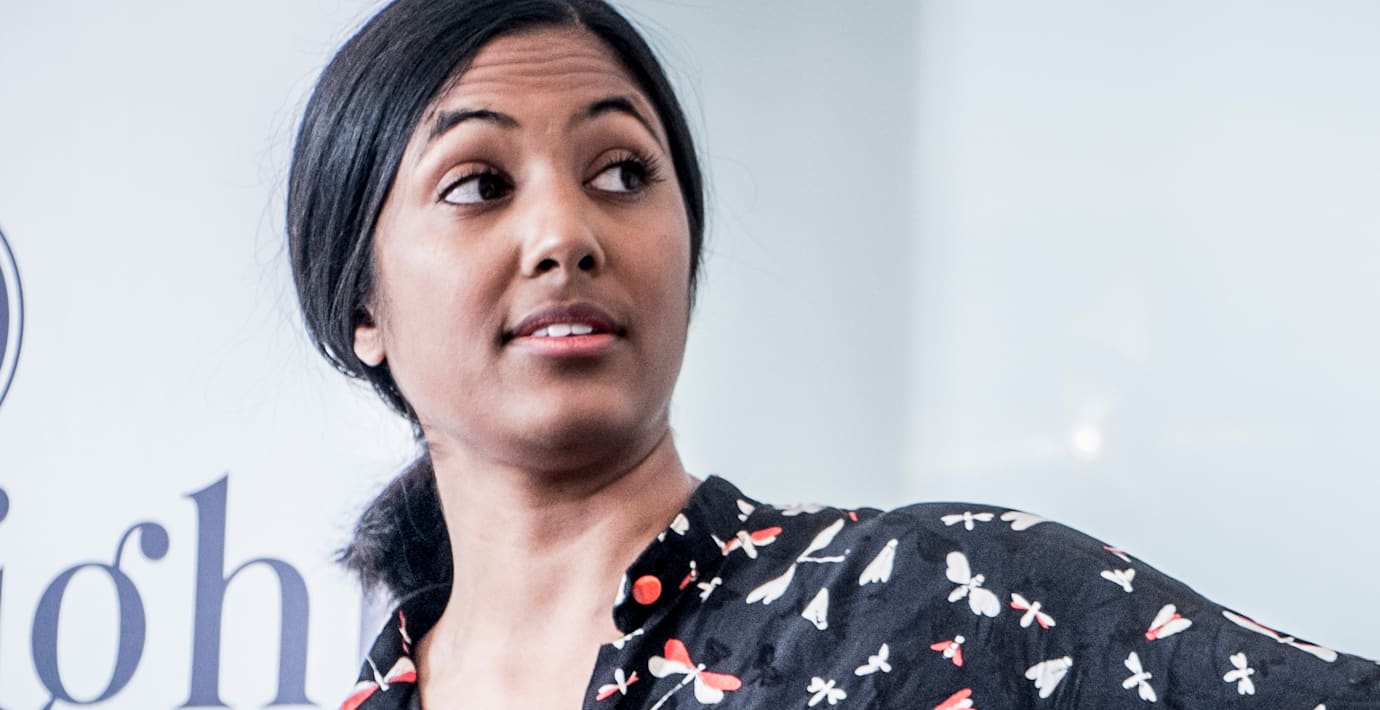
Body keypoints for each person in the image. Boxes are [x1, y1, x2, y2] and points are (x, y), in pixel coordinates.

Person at [286, 0, 1380, 707]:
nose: (567, 234)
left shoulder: (947, 597)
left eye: (622, 173)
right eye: (479, 183)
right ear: (359, 303)